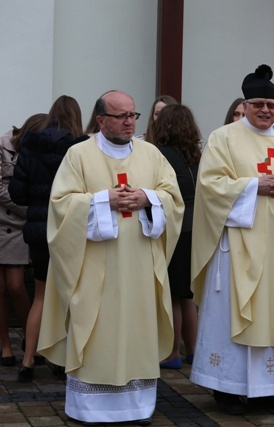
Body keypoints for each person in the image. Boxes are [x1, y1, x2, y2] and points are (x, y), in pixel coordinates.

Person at [37, 90, 184, 425]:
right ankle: (90, 409)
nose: (129, 122)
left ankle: (137, 408)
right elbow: (60, 206)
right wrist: (105, 201)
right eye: (121, 116)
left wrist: (147, 197)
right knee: (96, 329)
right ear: (101, 120)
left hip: (139, 266)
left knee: (137, 329)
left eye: (133, 115)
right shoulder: (78, 155)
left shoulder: (151, 154)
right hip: (94, 267)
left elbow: (174, 200)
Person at [190, 64, 274, 415]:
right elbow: (211, 187)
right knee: (233, 311)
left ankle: (272, 388)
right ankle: (228, 387)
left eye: (272, 106)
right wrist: (254, 185)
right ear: (245, 105)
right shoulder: (224, 138)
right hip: (239, 246)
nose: (266, 111)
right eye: (259, 104)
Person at [9, 96, 89, 383]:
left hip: (39, 231)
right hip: (71, 231)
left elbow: (18, 194)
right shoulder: (82, 147)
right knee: (72, 297)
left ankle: (29, 361)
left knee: (41, 296)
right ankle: (67, 359)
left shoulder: (30, 145)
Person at [154, 104, 201, 369]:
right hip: (198, 228)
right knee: (188, 295)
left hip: (176, 228)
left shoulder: (161, 155)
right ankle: (193, 350)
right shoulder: (197, 154)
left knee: (172, 292)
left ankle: (171, 352)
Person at [0, 113, 47, 367]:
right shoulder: (2, 144)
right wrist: (31, 210)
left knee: (17, 286)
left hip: (20, 226)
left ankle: (32, 342)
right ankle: (6, 346)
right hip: (5, 222)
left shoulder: (35, 151)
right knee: (1, 289)